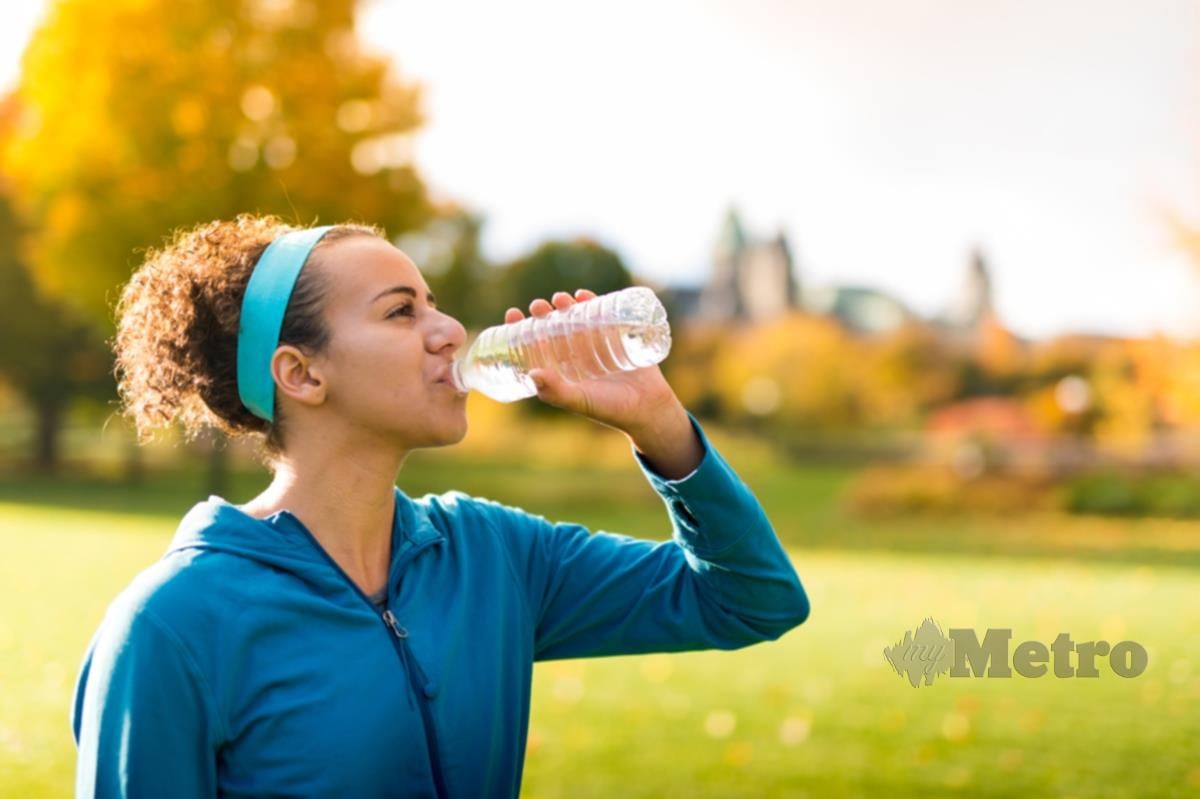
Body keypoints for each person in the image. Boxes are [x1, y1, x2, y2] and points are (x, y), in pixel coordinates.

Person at [71, 214, 811, 798]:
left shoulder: (496, 557)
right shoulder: (172, 627)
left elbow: (753, 598)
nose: (450, 330)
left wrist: (659, 425)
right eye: (400, 312)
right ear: (302, 373)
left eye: (435, 303)